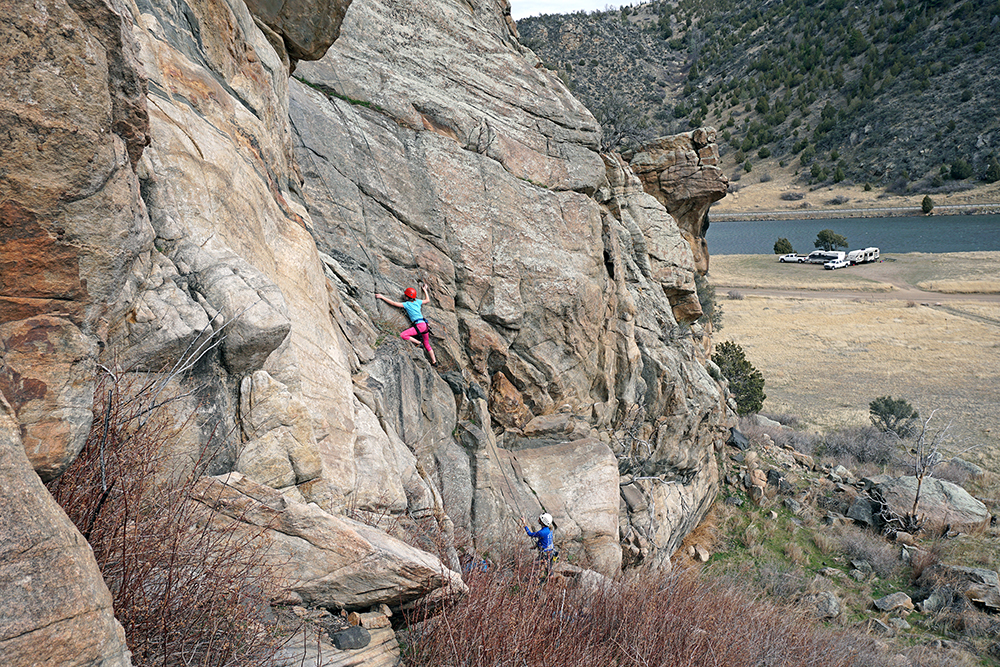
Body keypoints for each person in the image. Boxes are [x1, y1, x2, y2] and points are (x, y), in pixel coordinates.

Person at [375, 284, 438, 365]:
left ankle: (418, 343)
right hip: (425, 325)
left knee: (403, 335)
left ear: (407, 297)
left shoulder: (407, 304)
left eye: (405, 295)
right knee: (427, 344)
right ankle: (434, 361)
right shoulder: (417, 301)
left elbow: (394, 303)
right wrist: (425, 289)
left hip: (419, 326)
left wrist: (382, 297)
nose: (404, 296)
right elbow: (427, 300)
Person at [522, 513, 557, 581]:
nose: (538, 519)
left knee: (532, 568)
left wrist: (524, 523)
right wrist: (536, 545)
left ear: (542, 522)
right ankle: (551, 583)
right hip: (550, 551)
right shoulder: (550, 529)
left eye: (540, 519)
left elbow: (530, 534)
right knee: (549, 568)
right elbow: (544, 540)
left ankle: (529, 582)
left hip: (545, 554)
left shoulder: (542, 532)